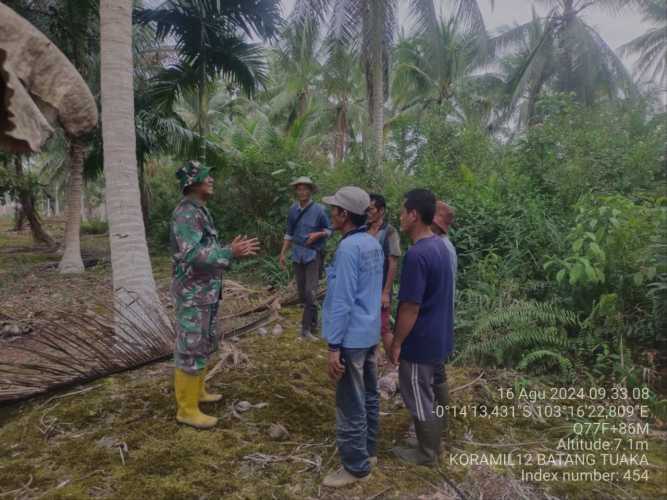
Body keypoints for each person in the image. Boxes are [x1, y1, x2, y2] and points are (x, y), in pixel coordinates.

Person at [170, 161, 260, 429]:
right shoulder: (186, 214)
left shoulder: (200, 211)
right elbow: (192, 254)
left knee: (202, 343)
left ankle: (197, 393)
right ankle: (186, 410)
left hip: (205, 291)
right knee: (190, 346)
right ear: (193, 183)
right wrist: (229, 252)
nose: (212, 181)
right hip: (192, 294)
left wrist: (227, 250)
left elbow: (204, 249)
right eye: (207, 177)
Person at [320, 186, 384, 488]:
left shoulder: (348, 249)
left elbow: (343, 300)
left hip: (350, 339)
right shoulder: (372, 243)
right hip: (369, 334)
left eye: (335, 209)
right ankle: (369, 451)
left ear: (345, 214)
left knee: (350, 403)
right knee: (369, 396)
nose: (331, 213)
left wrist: (334, 346)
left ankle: (355, 466)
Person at [389, 189, 454, 465]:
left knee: (417, 393)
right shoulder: (441, 246)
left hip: (421, 340)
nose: (401, 217)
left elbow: (410, 307)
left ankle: (427, 453)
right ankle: (436, 440)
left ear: (414, 215)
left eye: (403, 212)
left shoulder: (417, 254)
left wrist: (397, 342)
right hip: (439, 336)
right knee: (434, 388)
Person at [279, 177, 331, 341]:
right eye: (299, 189)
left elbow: (330, 230)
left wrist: (318, 234)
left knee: (310, 292)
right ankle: (314, 323)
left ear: (310, 191)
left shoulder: (320, 210)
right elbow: (289, 233)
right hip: (297, 254)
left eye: (305, 189)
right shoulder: (293, 209)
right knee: (302, 294)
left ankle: (306, 329)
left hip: (313, 255)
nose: (302, 192)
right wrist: (282, 253)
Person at [430, 201, 457, 435]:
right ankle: (440, 421)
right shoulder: (444, 246)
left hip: (436, 319)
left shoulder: (441, 248)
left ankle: (438, 423)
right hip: (441, 317)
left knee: (434, 372)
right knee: (436, 371)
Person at [367, 193, 402, 355]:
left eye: (371, 209)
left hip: (381, 288)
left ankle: (393, 364)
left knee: (383, 327)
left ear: (381, 211)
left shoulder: (390, 232)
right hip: (365, 288)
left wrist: (386, 292)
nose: (368, 212)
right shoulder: (364, 229)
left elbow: (393, 262)